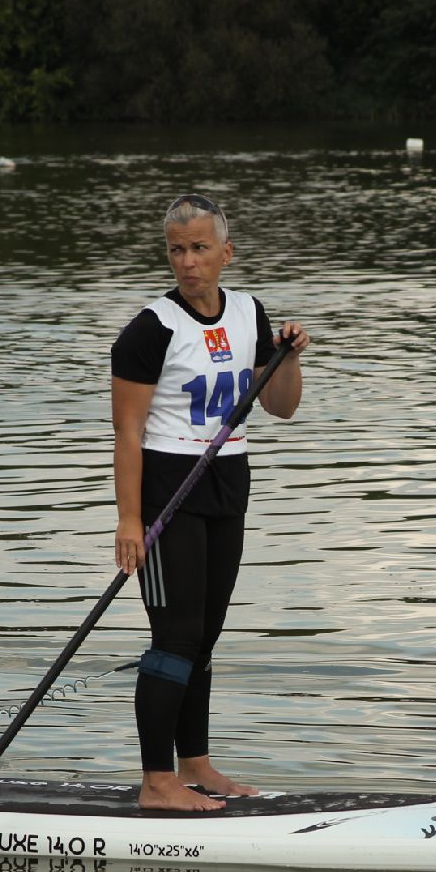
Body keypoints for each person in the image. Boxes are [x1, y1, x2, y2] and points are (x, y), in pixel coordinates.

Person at [110, 194, 310, 812]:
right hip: (167, 489)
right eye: (177, 250)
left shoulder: (249, 313)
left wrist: (287, 357)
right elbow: (127, 433)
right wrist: (129, 519)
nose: (188, 262)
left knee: (205, 636)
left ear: (227, 252)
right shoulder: (149, 330)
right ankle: (156, 781)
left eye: (199, 248)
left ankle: (194, 764)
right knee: (174, 637)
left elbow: (280, 406)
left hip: (226, 481)